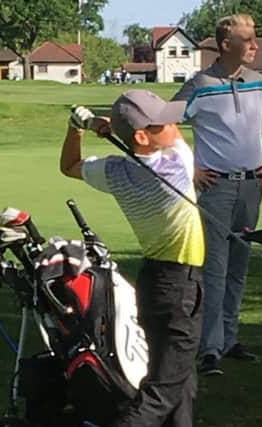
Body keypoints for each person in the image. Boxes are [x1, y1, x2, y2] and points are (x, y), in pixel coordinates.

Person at [60, 89, 205, 427]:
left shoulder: (116, 172)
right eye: (164, 122)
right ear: (142, 135)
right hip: (180, 288)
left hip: (154, 283)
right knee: (162, 392)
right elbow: (176, 139)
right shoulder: (176, 165)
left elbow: (69, 166)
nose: (174, 124)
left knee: (180, 381)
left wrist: (78, 126)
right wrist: (109, 127)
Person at [172, 14, 262, 376]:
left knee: (238, 267)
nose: (255, 45)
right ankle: (209, 349)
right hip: (216, 188)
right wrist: (190, 168)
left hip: (252, 185)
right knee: (215, 269)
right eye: (249, 39)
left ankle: (230, 339)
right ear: (227, 45)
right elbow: (164, 124)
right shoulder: (200, 84)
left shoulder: (258, 83)